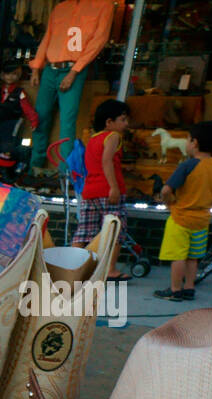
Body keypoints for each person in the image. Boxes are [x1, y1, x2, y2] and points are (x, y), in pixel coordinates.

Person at [28, 0, 114, 175]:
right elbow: (48, 37)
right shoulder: (61, 7)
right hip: (50, 70)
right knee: (40, 118)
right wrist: (36, 67)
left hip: (74, 68)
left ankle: (65, 172)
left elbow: (99, 40)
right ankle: (34, 167)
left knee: (67, 121)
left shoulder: (103, 5)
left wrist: (75, 71)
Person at [154, 121, 212, 303]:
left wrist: (169, 202)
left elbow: (167, 190)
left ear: (195, 142)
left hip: (181, 217)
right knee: (193, 257)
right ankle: (189, 288)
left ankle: (175, 290)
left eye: (187, 139)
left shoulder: (187, 165)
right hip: (202, 219)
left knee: (178, 257)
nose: (186, 143)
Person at [74, 98, 130, 279]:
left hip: (90, 191)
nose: (126, 124)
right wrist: (114, 187)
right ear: (109, 122)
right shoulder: (113, 136)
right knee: (115, 231)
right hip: (108, 190)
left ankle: (72, 266)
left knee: (85, 231)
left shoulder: (93, 138)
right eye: (123, 119)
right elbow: (107, 161)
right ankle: (111, 270)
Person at [0, 62, 39, 181]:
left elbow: (27, 108)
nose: (10, 77)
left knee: (7, 148)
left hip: (12, 124)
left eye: (14, 74)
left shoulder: (19, 92)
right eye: (7, 74)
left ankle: (4, 174)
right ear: (2, 75)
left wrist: (34, 121)